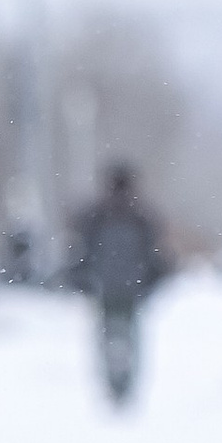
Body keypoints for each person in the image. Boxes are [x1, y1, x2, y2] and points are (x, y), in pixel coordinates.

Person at [70, 160, 170, 406]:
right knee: (126, 338)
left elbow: (81, 253)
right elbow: (156, 256)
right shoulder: (140, 217)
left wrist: (81, 279)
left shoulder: (98, 215)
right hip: (127, 289)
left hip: (109, 288)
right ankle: (122, 385)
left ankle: (115, 386)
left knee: (109, 337)